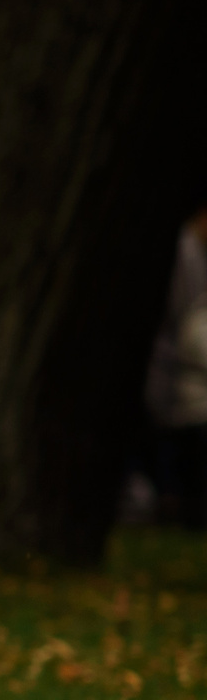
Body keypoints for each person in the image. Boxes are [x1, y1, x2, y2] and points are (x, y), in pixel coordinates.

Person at [142, 211, 207, 529]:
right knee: (170, 447)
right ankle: (171, 506)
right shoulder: (185, 249)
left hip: (179, 368)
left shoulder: (193, 251)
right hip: (171, 366)